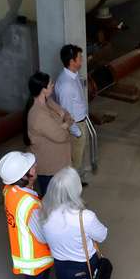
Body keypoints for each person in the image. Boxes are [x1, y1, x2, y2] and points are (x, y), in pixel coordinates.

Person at [0, 151, 53, 279]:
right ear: (26, 176)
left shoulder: (9, 190)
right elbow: (42, 235)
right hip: (35, 255)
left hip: (22, 250)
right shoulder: (30, 204)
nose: (35, 167)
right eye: (32, 167)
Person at [25, 72, 73, 198]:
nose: (53, 85)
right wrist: (64, 125)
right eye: (51, 84)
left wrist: (64, 124)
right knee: (53, 202)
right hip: (50, 169)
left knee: (61, 200)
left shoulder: (48, 102)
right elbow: (61, 136)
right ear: (43, 90)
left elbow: (67, 115)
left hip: (58, 165)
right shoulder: (38, 115)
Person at [53, 44, 93, 185]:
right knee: (74, 160)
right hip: (76, 127)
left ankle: (76, 182)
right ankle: (71, 188)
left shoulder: (73, 76)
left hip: (81, 121)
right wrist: (77, 132)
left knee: (78, 157)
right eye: (79, 58)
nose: (82, 59)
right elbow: (66, 112)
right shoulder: (66, 85)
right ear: (72, 62)